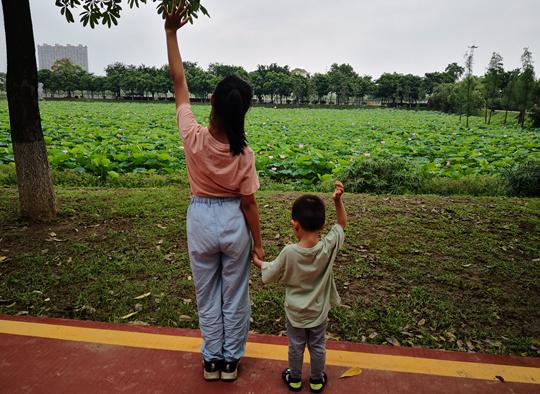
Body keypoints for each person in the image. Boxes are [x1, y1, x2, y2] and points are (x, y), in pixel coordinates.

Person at [164, 1, 264, 382]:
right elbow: (250, 203)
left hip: (201, 219)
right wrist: (258, 243)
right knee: (234, 295)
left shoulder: (192, 137)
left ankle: (211, 361)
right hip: (234, 223)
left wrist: (171, 33)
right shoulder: (245, 154)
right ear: (245, 112)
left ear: (212, 104)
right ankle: (230, 361)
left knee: (207, 293)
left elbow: (179, 83)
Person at [253, 181, 347, 393]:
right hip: (319, 311)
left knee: (295, 346)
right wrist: (338, 201)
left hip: (295, 312)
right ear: (323, 226)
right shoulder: (327, 247)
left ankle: (294, 379)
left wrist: (257, 262)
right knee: (317, 346)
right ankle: (316, 380)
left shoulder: (289, 252)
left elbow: (272, 271)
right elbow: (341, 224)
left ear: (295, 225)